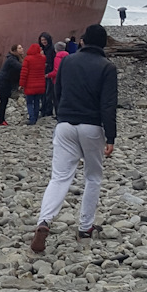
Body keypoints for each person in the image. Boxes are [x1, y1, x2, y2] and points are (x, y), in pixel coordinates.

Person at [30, 24, 117, 250]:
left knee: (59, 177)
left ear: (83, 41)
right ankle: (85, 228)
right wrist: (111, 137)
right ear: (103, 43)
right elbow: (108, 105)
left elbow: (58, 91)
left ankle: (44, 221)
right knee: (92, 177)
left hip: (65, 124)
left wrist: (62, 115)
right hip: (91, 127)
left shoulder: (68, 61)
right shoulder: (107, 67)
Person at [19, 40, 48, 124]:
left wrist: (21, 84)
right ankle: (36, 117)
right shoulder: (43, 58)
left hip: (30, 85)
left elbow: (24, 73)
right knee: (37, 102)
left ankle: (32, 119)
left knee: (29, 103)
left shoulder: (27, 59)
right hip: (40, 84)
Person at [0, 44, 23, 125]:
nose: (22, 49)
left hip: (5, 82)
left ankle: (1, 120)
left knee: (4, 101)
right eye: (19, 48)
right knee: (3, 101)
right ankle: (1, 121)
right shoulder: (11, 59)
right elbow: (21, 68)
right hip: (2, 82)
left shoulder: (14, 58)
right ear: (15, 50)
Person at [37, 32, 57, 116]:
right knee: (43, 92)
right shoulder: (42, 49)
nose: (43, 41)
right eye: (42, 40)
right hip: (43, 73)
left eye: (45, 40)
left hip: (49, 73)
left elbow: (52, 61)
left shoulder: (51, 49)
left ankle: (48, 110)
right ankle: (44, 108)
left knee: (48, 92)